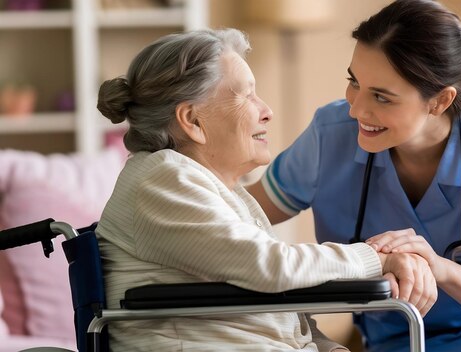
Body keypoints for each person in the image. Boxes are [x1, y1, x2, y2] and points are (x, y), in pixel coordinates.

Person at [247, 1, 461, 351]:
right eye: (354, 82)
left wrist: (440, 268)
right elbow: (240, 215)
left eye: (382, 97)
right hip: (399, 325)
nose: (356, 109)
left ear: (439, 101)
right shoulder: (330, 134)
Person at [95, 28, 437, 351]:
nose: (267, 112)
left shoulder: (218, 190)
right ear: (193, 121)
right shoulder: (162, 179)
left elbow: (272, 301)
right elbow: (274, 267)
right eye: (247, 95)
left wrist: (325, 345)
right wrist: (378, 259)